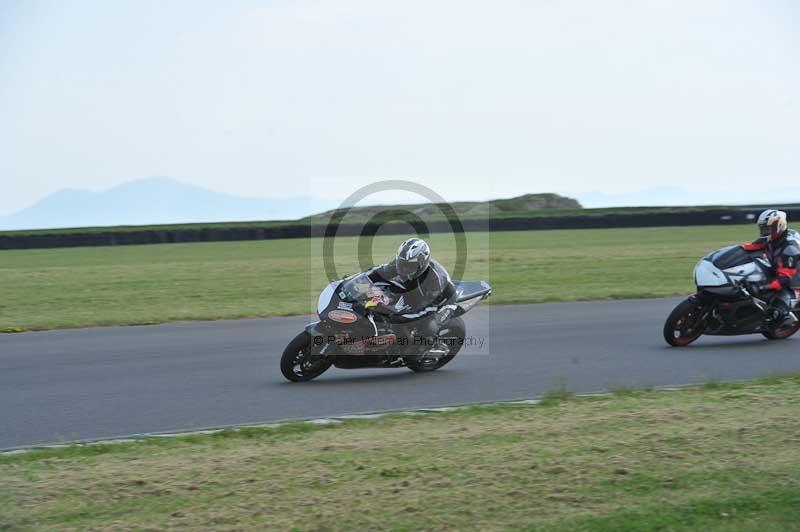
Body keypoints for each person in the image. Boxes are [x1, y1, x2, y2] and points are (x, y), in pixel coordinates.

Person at [367, 238, 458, 333]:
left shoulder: (435, 279)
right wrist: (356, 278)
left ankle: (428, 346)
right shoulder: (404, 262)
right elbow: (381, 272)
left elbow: (426, 309)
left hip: (442, 301)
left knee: (428, 328)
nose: (403, 269)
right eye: (401, 263)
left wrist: (398, 318)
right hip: (417, 289)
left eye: (409, 266)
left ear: (422, 264)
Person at [742, 209, 800, 328]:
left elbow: (785, 279)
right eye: (763, 228)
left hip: (794, 278)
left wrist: (763, 286)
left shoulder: (790, 249)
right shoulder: (774, 237)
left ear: (779, 225)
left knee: (779, 304)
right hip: (782, 269)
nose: (765, 231)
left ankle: (784, 318)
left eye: (768, 228)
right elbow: (754, 246)